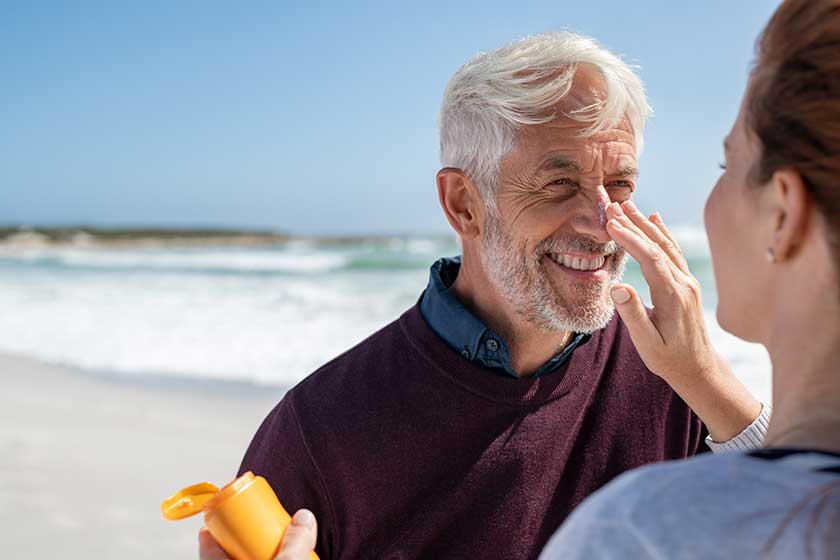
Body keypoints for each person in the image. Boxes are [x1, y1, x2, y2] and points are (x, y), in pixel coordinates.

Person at [200, 32, 770, 560]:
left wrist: (704, 379)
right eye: (559, 185)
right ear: (464, 205)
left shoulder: (672, 380)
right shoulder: (320, 434)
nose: (601, 223)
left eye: (619, 186)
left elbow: (806, 525)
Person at [538, 0, 840, 558]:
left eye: (727, 167)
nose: (604, 216)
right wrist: (701, 378)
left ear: (783, 212)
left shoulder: (640, 533)